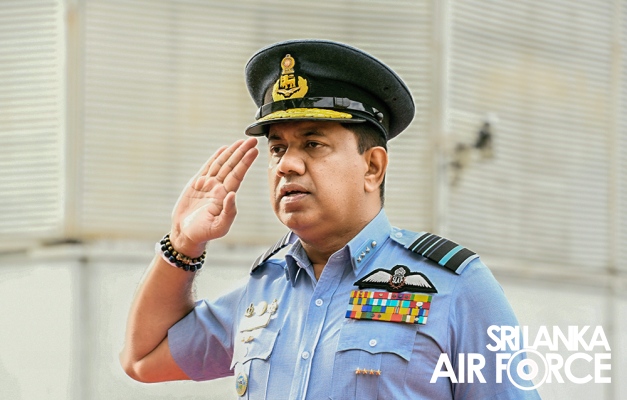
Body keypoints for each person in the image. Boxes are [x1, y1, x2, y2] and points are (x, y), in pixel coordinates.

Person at [120, 39, 541, 399]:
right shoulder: (265, 289)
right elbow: (143, 358)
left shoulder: (455, 287)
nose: (287, 164)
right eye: (278, 148)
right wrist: (182, 245)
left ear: (372, 167)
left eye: (313, 144)